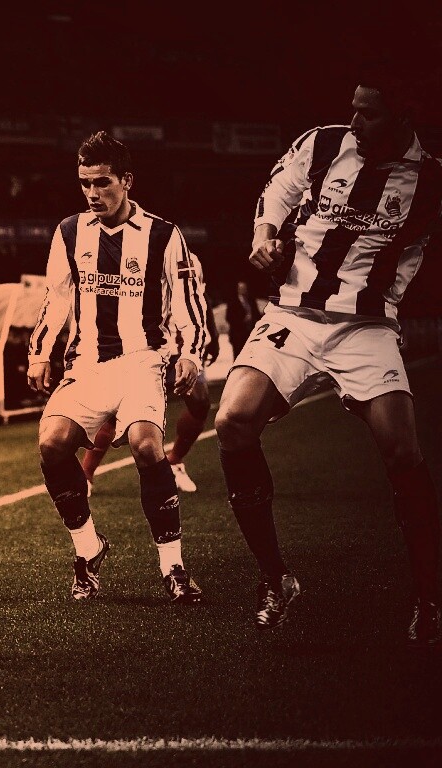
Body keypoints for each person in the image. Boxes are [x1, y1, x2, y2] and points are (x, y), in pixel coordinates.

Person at [215, 74, 442, 645]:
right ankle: (275, 580)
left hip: (367, 326)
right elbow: (278, 192)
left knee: (403, 452)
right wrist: (265, 234)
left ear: (404, 118)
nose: (356, 121)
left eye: (369, 113)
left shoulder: (431, 180)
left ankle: (430, 598)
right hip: (294, 314)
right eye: (354, 109)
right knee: (233, 420)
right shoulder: (322, 144)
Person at [28, 131, 209, 603]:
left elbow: (188, 302)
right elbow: (56, 298)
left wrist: (190, 353)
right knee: (51, 445)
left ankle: (173, 567)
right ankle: (88, 550)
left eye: (102, 182)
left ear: (126, 180)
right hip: (86, 363)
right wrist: (40, 352)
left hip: (141, 361)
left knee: (146, 447)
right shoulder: (69, 231)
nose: (92, 193)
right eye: (84, 183)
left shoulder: (164, 235)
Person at [81, 253, 220, 494]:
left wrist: (213, 335)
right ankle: (85, 474)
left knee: (200, 402)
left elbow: (200, 297)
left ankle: (175, 461)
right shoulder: (137, 254)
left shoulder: (190, 259)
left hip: (181, 349)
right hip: (145, 346)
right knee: (113, 414)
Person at [225, 279, 260, 359]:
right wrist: (242, 320)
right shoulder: (233, 302)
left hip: (250, 334)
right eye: (241, 288)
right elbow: (229, 317)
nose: (243, 290)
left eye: (244, 288)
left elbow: (257, 314)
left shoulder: (251, 300)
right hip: (237, 335)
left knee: (249, 358)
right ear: (238, 289)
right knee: (238, 357)